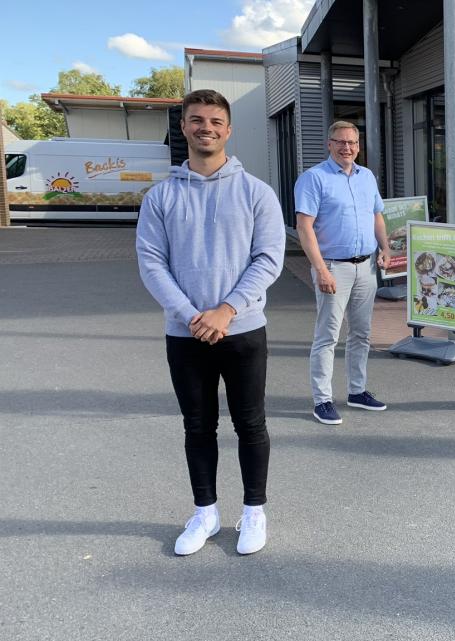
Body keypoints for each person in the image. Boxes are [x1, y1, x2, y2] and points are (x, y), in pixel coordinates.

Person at [136, 89, 285, 556]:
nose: (207, 128)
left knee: (250, 424)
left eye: (216, 121)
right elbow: (151, 262)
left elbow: (268, 258)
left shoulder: (256, 192)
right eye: (197, 120)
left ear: (228, 128)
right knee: (197, 425)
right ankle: (206, 513)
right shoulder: (161, 196)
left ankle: (254, 512)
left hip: (242, 330)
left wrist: (226, 310)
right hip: (185, 334)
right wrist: (191, 315)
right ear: (183, 127)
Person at [294, 121, 391, 425]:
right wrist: (321, 269)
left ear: (359, 146)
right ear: (329, 144)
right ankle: (322, 399)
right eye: (340, 142)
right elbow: (304, 227)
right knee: (328, 335)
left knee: (361, 333)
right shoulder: (314, 178)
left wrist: (385, 247)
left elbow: (377, 216)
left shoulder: (367, 177)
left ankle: (357, 391)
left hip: (366, 266)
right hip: (333, 267)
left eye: (352, 143)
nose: (346, 148)